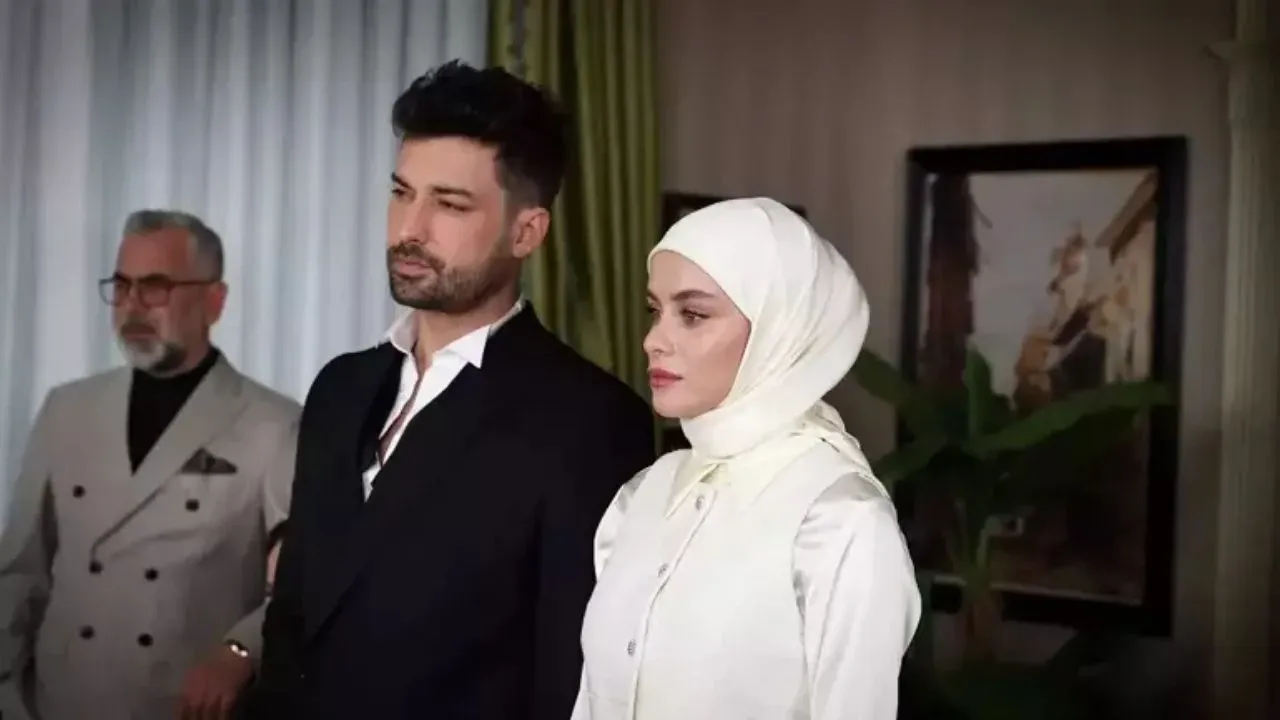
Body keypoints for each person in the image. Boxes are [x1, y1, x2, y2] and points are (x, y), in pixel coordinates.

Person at [248, 61, 655, 720]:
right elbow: (292, 617)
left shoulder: (590, 421)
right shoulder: (340, 387)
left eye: (450, 204)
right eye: (402, 193)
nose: (410, 228)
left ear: (526, 231)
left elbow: (569, 675)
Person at [572, 198, 922, 719]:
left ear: (779, 327)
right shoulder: (644, 494)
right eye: (655, 311)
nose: (652, 342)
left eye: (693, 315)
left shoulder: (839, 519)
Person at [0, 211, 299, 720]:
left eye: (155, 287)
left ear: (214, 301)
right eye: (121, 286)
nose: (132, 306)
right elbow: (19, 572)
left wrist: (241, 651)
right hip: (55, 703)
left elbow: (304, 580)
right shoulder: (66, 409)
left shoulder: (273, 424)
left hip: (178, 707)